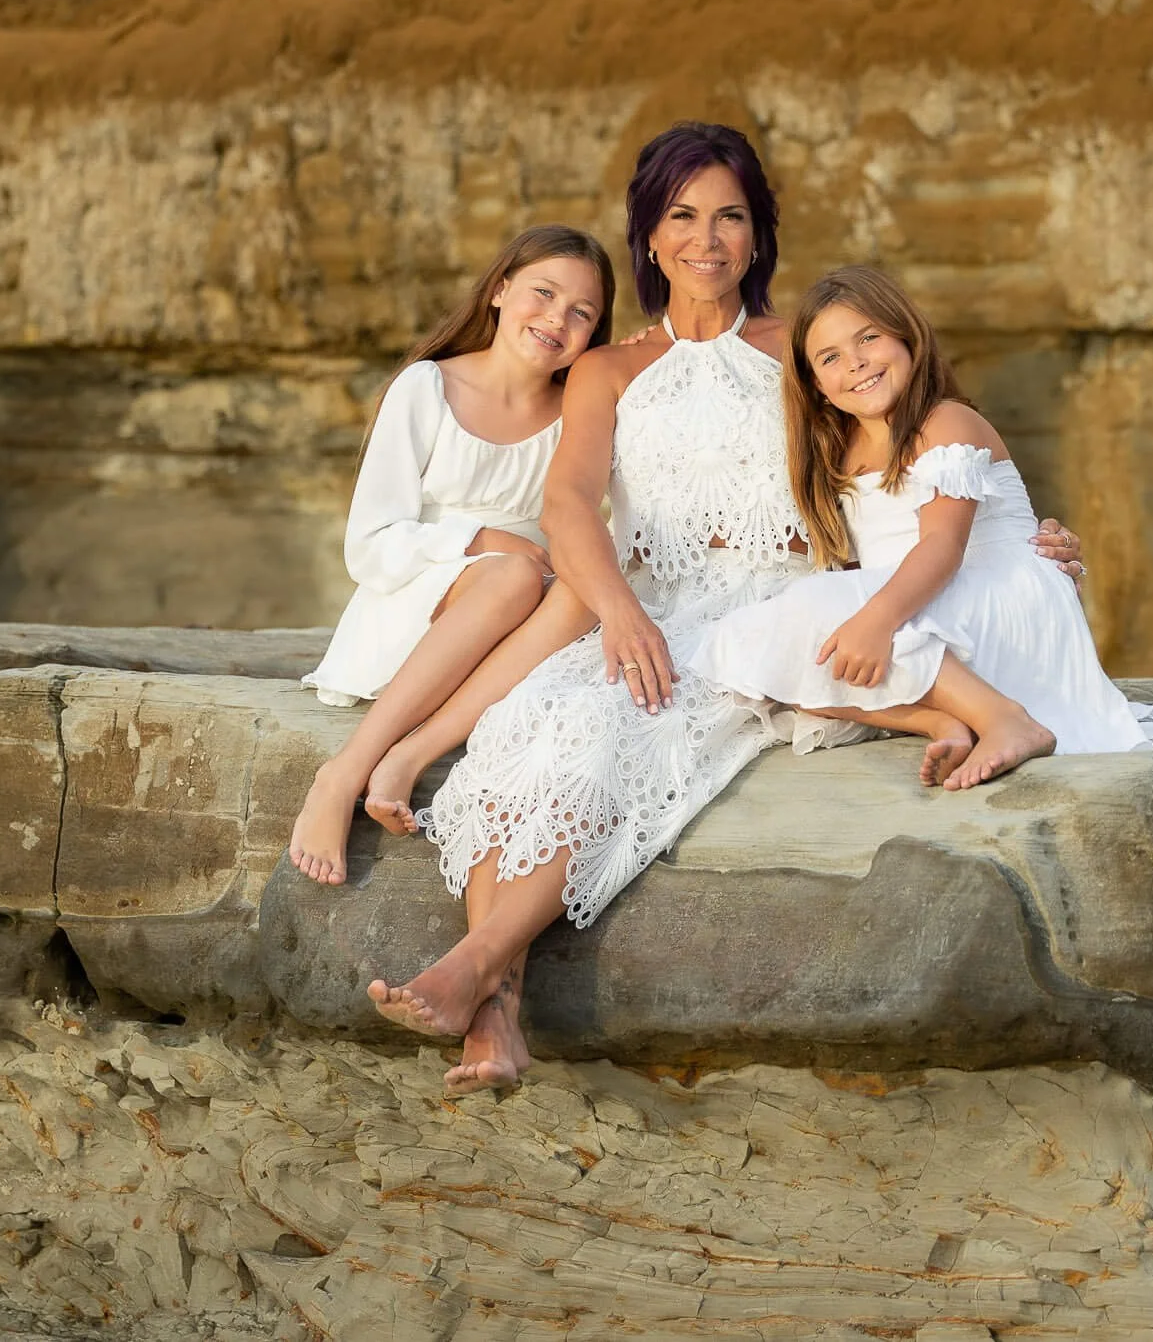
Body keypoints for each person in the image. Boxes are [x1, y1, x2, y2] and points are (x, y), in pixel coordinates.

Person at [358, 122, 1087, 1094]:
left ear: (758, 236)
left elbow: (915, 444)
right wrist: (616, 611)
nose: (707, 237)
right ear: (649, 237)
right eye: (683, 215)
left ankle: (474, 977)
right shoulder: (607, 368)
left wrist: (1016, 532)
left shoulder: (803, 350)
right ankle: (495, 1017)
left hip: (769, 598)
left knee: (617, 739)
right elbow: (568, 504)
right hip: (645, 603)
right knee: (531, 725)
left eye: (731, 216)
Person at [693, 265, 1153, 789]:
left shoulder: (945, 422)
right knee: (745, 651)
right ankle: (942, 719)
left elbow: (943, 545)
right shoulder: (839, 454)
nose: (856, 363)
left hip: (994, 592)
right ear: (816, 386)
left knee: (828, 608)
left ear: (906, 335)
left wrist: (874, 620)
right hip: (923, 604)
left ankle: (1006, 720)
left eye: (868, 338)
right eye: (830, 358)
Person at [285, 224, 615, 886]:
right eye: (542, 293)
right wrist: (483, 540)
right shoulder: (427, 388)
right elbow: (369, 547)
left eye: (582, 312)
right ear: (499, 290)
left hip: (508, 636)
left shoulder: (578, 413)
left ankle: (410, 753)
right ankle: (343, 772)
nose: (557, 318)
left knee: (582, 589)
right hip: (415, 612)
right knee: (514, 573)